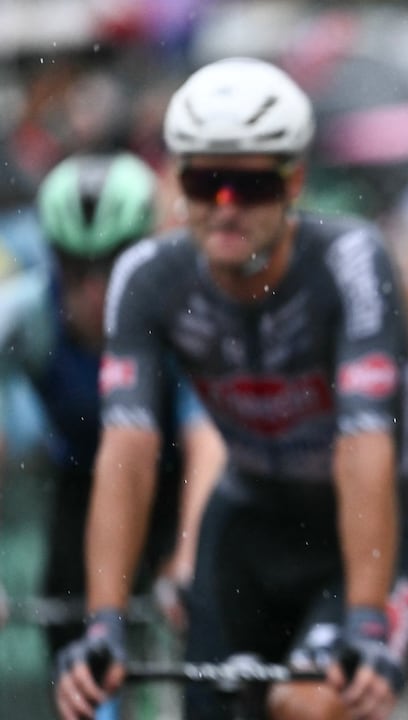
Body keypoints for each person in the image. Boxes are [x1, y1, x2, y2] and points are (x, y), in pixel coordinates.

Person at [53, 56, 408, 720]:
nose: (225, 208)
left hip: (370, 533)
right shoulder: (148, 276)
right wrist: (104, 621)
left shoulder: (350, 260)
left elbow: (365, 445)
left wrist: (367, 620)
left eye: (250, 187)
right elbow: (128, 454)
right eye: (207, 183)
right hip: (249, 523)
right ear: (177, 182)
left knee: (307, 704)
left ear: (295, 182)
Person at [26, 152, 225, 660]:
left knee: (204, 605)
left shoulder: (184, 314)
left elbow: (207, 444)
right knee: (73, 644)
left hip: (176, 485)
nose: (96, 289)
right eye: (75, 267)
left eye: (114, 262)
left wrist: (188, 556)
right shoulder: (27, 318)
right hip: (83, 483)